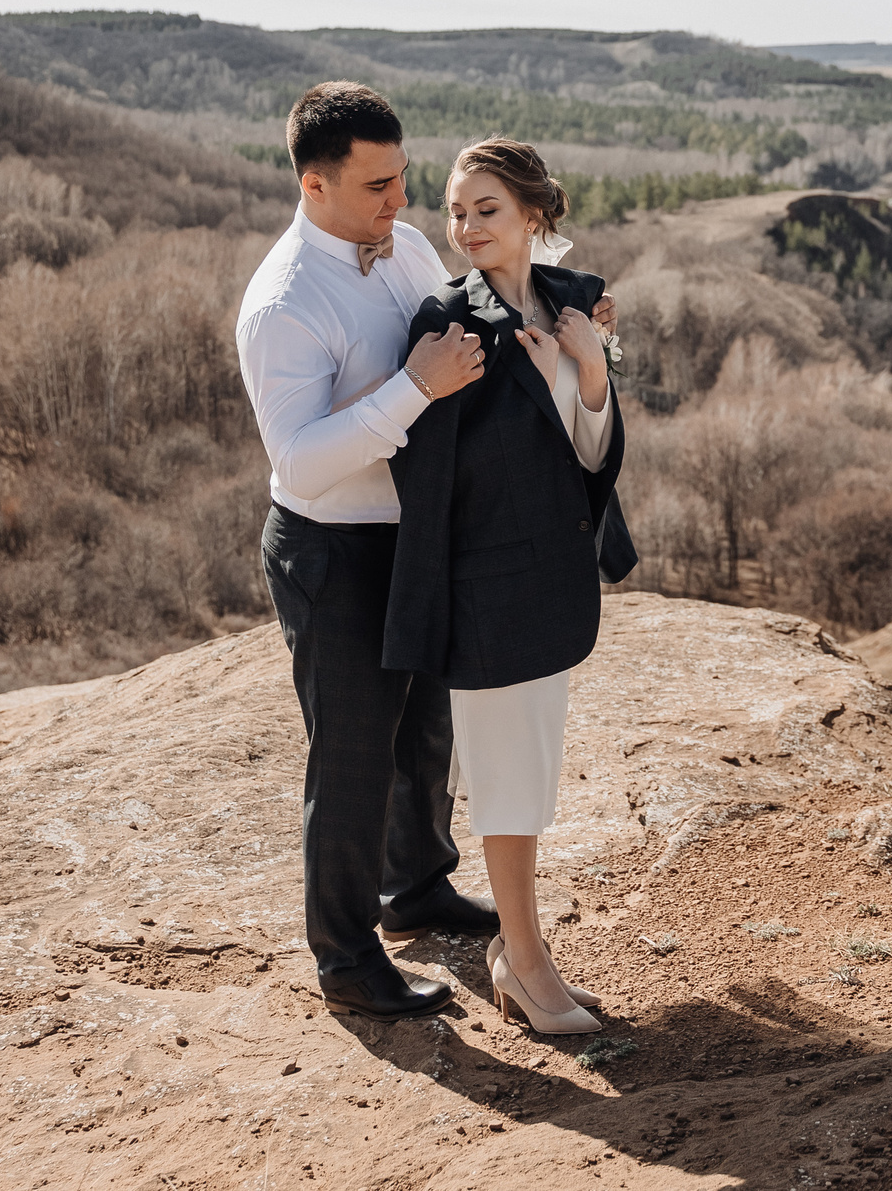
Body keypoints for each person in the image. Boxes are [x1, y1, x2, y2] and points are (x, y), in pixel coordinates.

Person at [234, 83, 498, 1022]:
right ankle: (346, 958)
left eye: (401, 176)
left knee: (426, 731)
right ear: (315, 183)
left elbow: (469, 319)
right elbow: (300, 460)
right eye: (379, 183)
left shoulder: (408, 246)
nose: (400, 199)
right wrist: (414, 392)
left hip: (415, 532)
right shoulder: (282, 305)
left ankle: (416, 887)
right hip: (332, 550)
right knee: (349, 759)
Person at [385, 137, 638, 1036]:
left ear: (534, 214)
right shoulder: (444, 323)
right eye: (455, 211)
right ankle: (524, 964)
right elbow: (432, 480)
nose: (465, 227)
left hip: (552, 583)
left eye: (485, 209)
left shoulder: (575, 304)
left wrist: (591, 373)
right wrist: (532, 383)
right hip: (483, 588)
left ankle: (514, 952)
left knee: (529, 771)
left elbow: (591, 459)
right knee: (503, 778)